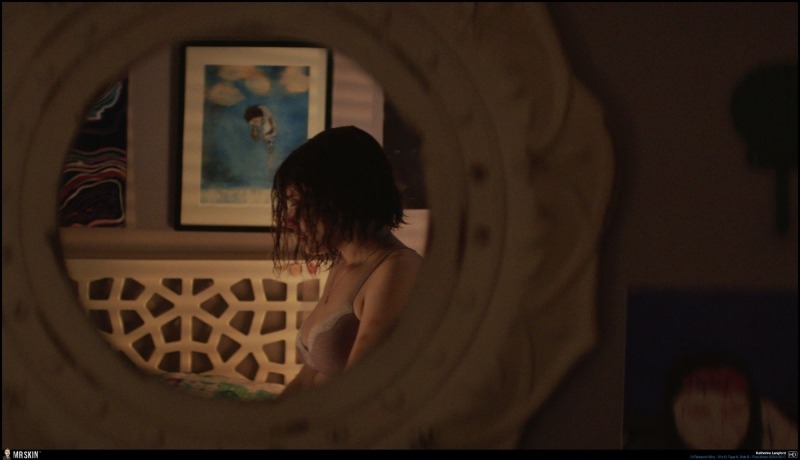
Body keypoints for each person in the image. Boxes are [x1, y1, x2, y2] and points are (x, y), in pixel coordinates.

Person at [271, 126, 424, 398]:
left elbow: (358, 393)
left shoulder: (397, 270)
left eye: (301, 204)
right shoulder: (343, 264)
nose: (289, 220)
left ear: (344, 199)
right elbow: (306, 378)